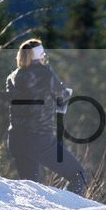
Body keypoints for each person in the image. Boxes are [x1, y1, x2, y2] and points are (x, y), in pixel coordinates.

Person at [5, 39, 87, 196]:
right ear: (40, 57)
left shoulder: (12, 78)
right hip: (39, 138)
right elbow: (62, 98)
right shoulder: (45, 74)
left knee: (30, 190)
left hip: (15, 139)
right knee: (78, 176)